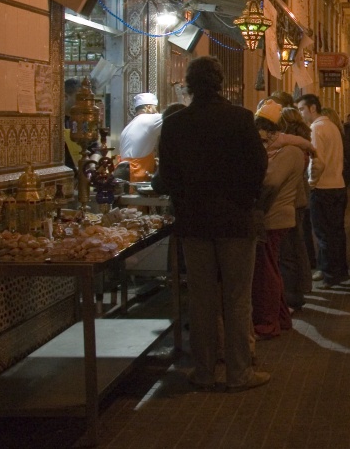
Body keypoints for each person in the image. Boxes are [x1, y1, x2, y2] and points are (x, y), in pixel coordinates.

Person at [155, 56, 269, 391]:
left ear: (189, 85)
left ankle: (203, 371)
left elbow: (167, 176)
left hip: (194, 223)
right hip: (235, 221)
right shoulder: (240, 119)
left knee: (201, 299)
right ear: (220, 82)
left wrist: (185, 200)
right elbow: (257, 168)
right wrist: (244, 199)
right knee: (236, 298)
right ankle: (239, 372)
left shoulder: (176, 124)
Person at [252, 101, 306, 338]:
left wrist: (257, 204)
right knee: (271, 268)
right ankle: (281, 317)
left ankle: (268, 322)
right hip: (274, 215)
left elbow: (271, 183)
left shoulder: (289, 152)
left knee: (267, 271)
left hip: (274, 217)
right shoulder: (284, 149)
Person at [296, 93, 348, 288]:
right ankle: (341, 270)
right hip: (338, 184)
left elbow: (316, 161)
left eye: (302, 109)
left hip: (323, 188)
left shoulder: (316, 129)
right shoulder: (332, 126)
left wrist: (311, 181)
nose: (301, 113)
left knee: (324, 234)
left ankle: (329, 274)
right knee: (337, 232)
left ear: (312, 108)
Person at [117, 93, 164, 182]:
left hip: (124, 172)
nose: (157, 112)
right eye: (155, 108)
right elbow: (175, 117)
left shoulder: (130, 125)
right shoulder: (150, 119)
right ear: (149, 107)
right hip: (136, 174)